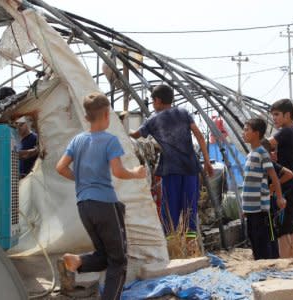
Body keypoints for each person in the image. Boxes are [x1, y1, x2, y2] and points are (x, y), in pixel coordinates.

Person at [55, 92, 146, 298]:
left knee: (104, 256)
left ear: (87, 116)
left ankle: (79, 262)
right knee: (119, 261)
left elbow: (60, 167)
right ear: (106, 114)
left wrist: (82, 180)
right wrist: (137, 173)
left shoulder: (77, 140)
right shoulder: (109, 140)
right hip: (105, 205)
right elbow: (118, 172)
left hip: (84, 206)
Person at [130, 84, 213, 238]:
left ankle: (170, 245)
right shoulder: (183, 113)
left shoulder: (153, 120)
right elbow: (200, 136)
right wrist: (207, 162)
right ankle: (191, 247)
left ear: (157, 100)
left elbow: (135, 135)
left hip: (171, 170)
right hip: (191, 168)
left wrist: (122, 127)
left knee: (170, 209)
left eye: (153, 102)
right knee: (190, 209)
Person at [242, 118, 286, 260]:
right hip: (250, 208)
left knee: (262, 240)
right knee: (253, 238)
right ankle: (260, 267)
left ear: (256, 133)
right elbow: (248, 183)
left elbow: (273, 176)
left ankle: (267, 268)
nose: (244, 133)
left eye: (246, 129)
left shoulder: (262, 153)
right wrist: (244, 207)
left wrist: (279, 197)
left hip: (260, 208)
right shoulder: (250, 155)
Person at [268, 99, 293, 258]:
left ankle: (283, 262)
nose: (274, 118)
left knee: (281, 227)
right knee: (289, 226)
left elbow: (264, 145)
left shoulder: (285, 132)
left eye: (277, 115)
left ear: (287, 115)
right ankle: (292, 260)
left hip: (287, 183)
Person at [261, 138, 293, 258]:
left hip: (268, 202)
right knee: (267, 231)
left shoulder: (270, 164)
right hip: (262, 202)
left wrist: (273, 186)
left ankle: (274, 256)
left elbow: (289, 174)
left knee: (271, 231)